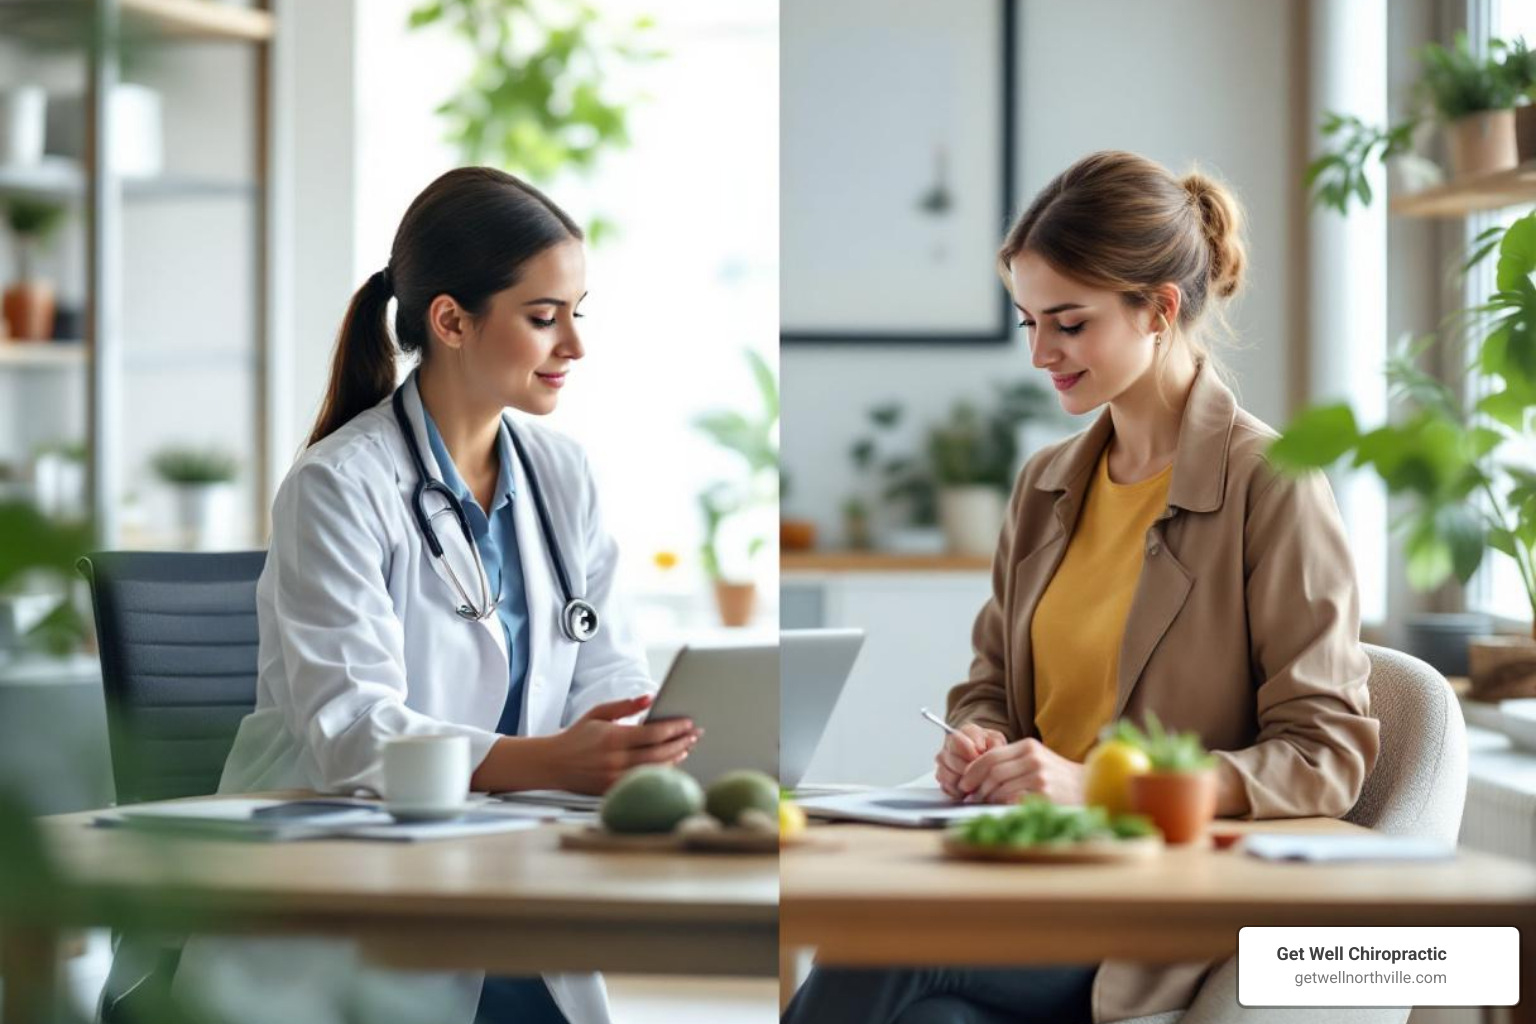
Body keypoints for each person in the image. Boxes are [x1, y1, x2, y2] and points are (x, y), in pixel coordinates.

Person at [782, 150, 1380, 1024]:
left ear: (1160, 310)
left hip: (1150, 896)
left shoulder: (1270, 484)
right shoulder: (1046, 483)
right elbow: (991, 684)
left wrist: (1100, 787)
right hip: (1022, 868)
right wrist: (979, 738)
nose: (1039, 353)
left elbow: (1326, 754)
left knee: (877, 953)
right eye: (1028, 322)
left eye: (1067, 323)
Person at [172, 167, 699, 1024]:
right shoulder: (339, 486)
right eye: (543, 317)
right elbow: (351, 728)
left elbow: (608, 672)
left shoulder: (563, 475)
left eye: (578, 313)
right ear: (452, 320)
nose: (574, 346)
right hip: (341, 901)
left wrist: (633, 743)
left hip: (513, 880)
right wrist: (550, 761)